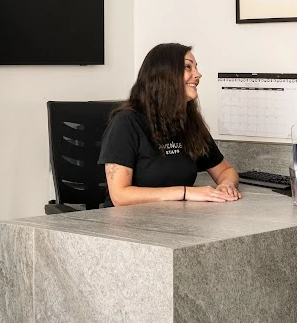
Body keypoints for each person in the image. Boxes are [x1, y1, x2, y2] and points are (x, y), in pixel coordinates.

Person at [100, 43, 242, 206]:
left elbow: (225, 170)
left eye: (196, 67)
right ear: (165, 74)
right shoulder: (126, 123)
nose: (198, 74)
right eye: (188, 67)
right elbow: (120, 196)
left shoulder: (189, 122)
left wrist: (227, 185)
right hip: (131, 220)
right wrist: (185, 192)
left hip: (176, 217)